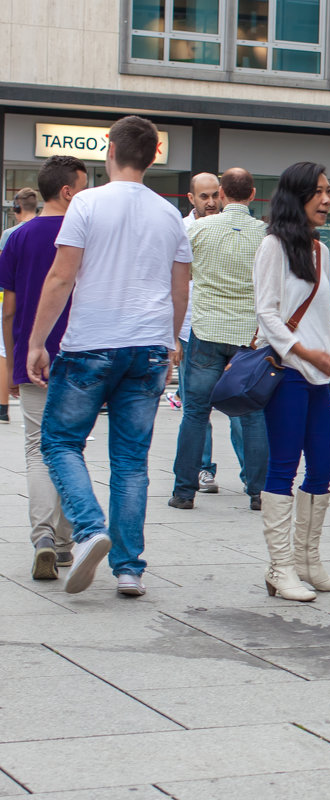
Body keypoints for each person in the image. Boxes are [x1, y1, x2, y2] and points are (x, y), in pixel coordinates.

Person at [28, 115, 192, 598]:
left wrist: (37, 341)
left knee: (58, 441)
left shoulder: (86, 204)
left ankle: (87, 528)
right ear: (153, 155)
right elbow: (180, 286)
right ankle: (128, 569)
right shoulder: (169, 214)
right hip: (147, 346)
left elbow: (61, 278)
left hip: (91, 342)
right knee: (131, 461)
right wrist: (171, 340)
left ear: (111, 150)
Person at [253, 162, 330, 601]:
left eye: (328, 192)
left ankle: (309, 561)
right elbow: (267, 313)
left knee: (325, 465)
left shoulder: (320, 250)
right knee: (283, 467)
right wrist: (306, 352)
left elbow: (321, 315)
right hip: (287, 371)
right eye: (319, 192)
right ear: (297, 195)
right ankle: (281, 567)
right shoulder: (272, 245)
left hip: (317, 375)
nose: (327, 200)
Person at [0, 156, 88, 579]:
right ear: (68, 190)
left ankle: (42, 539)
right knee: (71, 447)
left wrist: (14, 361)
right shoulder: (86, 236)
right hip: (80, 355)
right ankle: (67, 543)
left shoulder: (18, 237)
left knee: (36, 448)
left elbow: (9, 309)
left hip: (32, 356)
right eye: (84, 187)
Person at [168, 168, 269, 511]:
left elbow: (181, 281)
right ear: (253, 194)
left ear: (222, 193)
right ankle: (258, 492)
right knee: (253, 414)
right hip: (248, 336)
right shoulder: (267, 236)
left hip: (206, 330)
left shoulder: (197, 229)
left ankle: (184, 491)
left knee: (195, 413)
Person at [176, 172, 224, 492]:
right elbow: (172, 282)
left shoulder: (231, 227)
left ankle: (253, 478)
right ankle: (202, 469)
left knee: (243, 406)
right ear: (191, 198)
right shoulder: (180, 229)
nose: (210, 202)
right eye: (203, 197)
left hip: (229, 326)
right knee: (197, 406)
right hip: (191, 328)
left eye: (214, 195)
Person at [0, 187, 38, 423]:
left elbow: (4, 275)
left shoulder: (9, 234)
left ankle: (3, 407)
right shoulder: (49, 229)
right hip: (41, 301)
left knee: (5, 352)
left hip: (12, 299)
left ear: (17, 208)